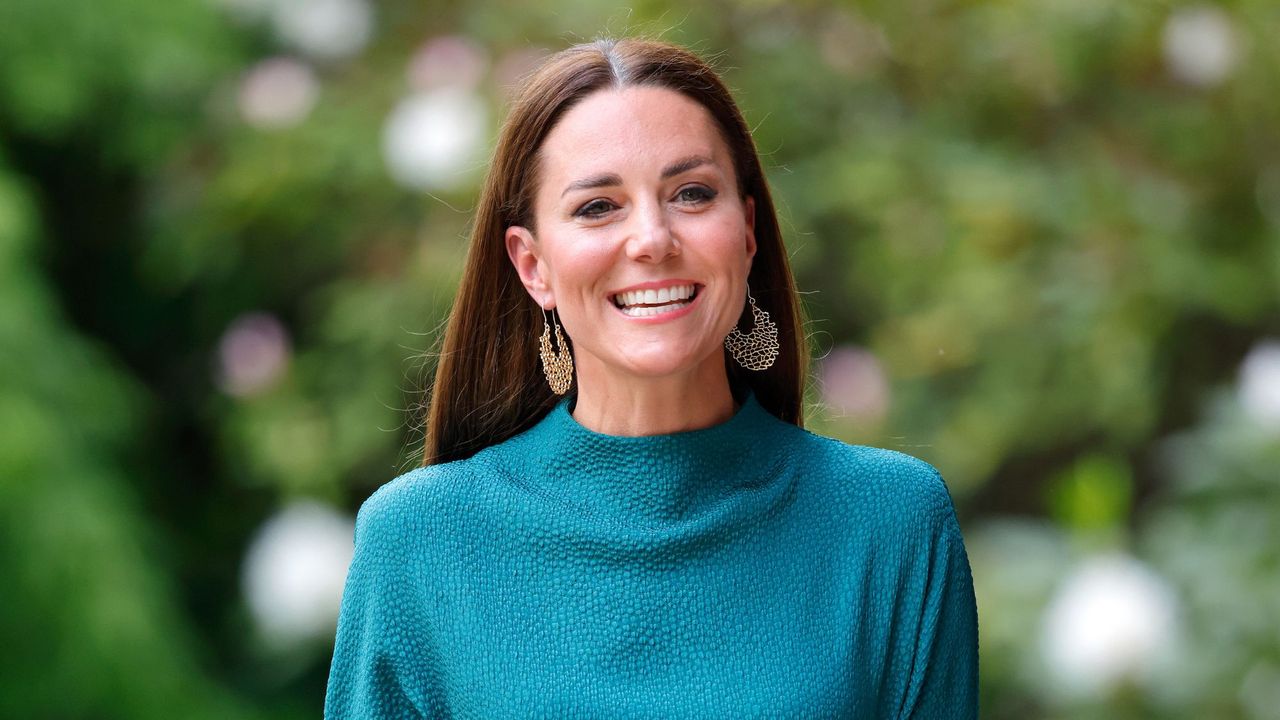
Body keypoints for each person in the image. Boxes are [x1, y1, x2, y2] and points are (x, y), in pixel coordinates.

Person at [324, 37, 978, 719]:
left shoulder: (891, 525)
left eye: (691, 194)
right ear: (532, 265)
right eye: (598, 207)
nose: (652, 239)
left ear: (747, 231)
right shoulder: (418, 541)